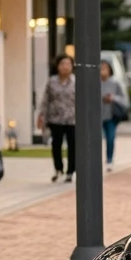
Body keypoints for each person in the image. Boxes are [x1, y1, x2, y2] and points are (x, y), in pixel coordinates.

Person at [37, 54, 76, 183]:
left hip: (72, 119)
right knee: (56, 145)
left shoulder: (76, 81)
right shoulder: (52, 81)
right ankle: (58, 168)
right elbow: (46, 100)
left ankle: (71, 171)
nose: (65, 67)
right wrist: (42, 115)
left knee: (72, 146)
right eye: (62, 64)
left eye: (68, 64)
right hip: (55, 118)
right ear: (57, 66)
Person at [100, 60, 129, 173]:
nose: (102, 70)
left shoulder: (115, 83)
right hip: (96, 116)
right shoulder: (93, 82)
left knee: (110, 138)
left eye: (105, 68)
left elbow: (125, 100)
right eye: (100, 67)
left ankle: (109, 160)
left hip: (111, 116)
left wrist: (113, 98)